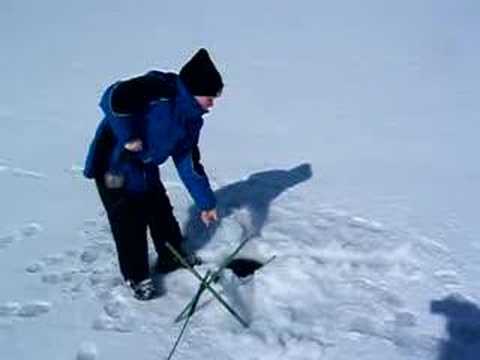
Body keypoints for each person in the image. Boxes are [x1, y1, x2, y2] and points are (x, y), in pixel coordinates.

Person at [83, 48, 223, 300]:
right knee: (128, 218)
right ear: (194, 89)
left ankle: (171, 257)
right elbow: (112, 98)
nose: (213, 102)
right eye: (211, 95)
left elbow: (187, 161)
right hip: (112, 165)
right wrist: (128, 137)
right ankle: (137, 278)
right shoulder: (158, 89)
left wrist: (206, 203)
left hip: (143, 165)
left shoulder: (192, 120)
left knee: (159, 209)